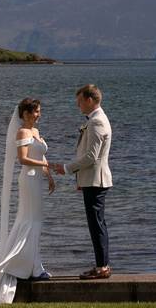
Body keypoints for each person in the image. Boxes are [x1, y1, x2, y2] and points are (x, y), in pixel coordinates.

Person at [0, 98, 56, 304]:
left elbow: (40, 157)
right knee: (29, 221)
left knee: (36, 222)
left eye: (39, 111)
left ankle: (34, 266)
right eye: (36, 111)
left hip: (37, 179)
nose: (39, 115)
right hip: (28, 180)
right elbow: (23, 159)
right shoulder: (23, 133)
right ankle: (28, 267)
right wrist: (48, 166)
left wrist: (49, 175)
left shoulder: (35, 132)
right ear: (26, 114)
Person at [52, 84, 113, 280]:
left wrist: (67, 168)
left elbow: (91, 157)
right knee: (97, 224)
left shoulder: (96, 122)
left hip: (96, 181)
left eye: (79, 102)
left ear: (89, 100)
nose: (78, 106)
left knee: (96, 225)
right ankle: (101, 265)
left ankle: (102, 267)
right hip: (92, 180)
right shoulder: (96, 119)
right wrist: (80, 178)